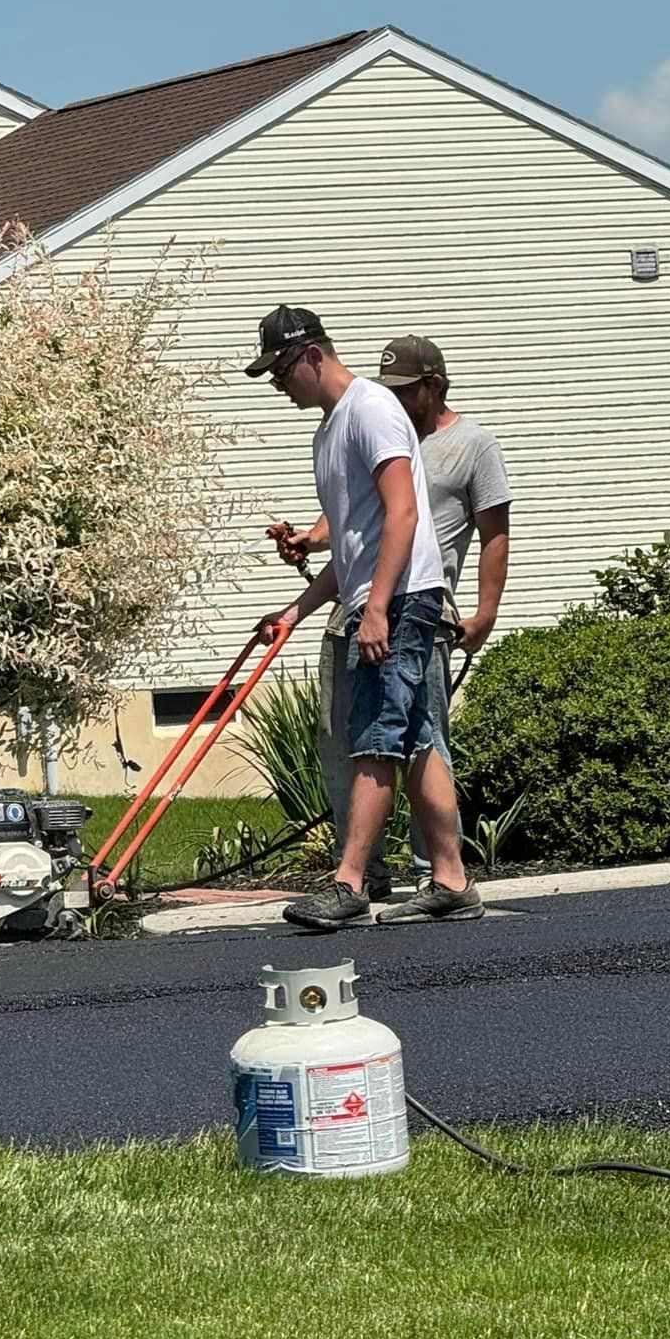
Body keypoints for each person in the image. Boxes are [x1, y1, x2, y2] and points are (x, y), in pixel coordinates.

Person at [246, 305, 482, 930]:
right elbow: (355, 544)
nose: (277, 384)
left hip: (402, 599)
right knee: (416, 738)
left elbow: (403, 513)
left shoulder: (371, 409)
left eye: (281, 370)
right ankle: (452, 880)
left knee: (377, 735)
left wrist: (376, 608)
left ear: (313, 356)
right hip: (381, 597)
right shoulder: (330, 430)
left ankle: (349, 883)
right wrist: (295, 611)